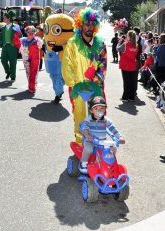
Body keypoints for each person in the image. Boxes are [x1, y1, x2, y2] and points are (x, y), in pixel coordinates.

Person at [62, 7, 107, 144]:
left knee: (98, 112)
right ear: (80, 25)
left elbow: (103, 65)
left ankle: (99, 139)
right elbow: (67, 65)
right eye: (87, 23)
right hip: (78, 87)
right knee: (80, 113)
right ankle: (81, 141)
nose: (90, 27)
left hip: (96, 86)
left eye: (93, 24)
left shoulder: (101, 44)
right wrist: (75, 84)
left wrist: (96, 81)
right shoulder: (72, 44)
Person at [79, 96, 125, 172]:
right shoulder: (89, 119)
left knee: (113, 149)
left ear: (105, 110)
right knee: (88, 149)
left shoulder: (106, 120)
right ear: (91, 110)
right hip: (90, 141)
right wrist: (87, 135)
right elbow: (85, 128)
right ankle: (83, 162)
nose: (99, 111)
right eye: (96, 108)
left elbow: (113, 128)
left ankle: (110, 164)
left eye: (102, 109)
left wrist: (119, 137)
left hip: (102, 142)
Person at [44, 13, 74, 104]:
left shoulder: (72, 37)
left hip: (62, 58)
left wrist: (61, 47)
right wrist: (42, 47)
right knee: (53, 76)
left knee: (60, 76)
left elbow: (72, 44)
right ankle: (59, 90)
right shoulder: (47, 33)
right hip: (50, 58)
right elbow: (45, 40)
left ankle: (58, 93)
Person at [0, 10, 22, 82]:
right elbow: (1, 38)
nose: (3, 19)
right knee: (3, 60)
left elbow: (20, 36)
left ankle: (13, 76)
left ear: (8, 19)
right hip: (5, 46)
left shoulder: (16, 26)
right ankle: (8, 72)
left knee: (13, 62)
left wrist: (18, 36)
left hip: (13, 47)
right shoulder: (3, 28)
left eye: (4, 18)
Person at [19, 26, 42, 93]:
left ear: (35, 32)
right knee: (28, 73)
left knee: (34, 73)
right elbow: (17, 44)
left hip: (35, 58)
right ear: (26, 32)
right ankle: (33, 84)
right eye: (29, 32)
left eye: (33, 31)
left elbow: (41, 46)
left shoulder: (38, 40)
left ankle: (32, 87)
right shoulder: (22, 40)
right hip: (26, 59)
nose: (31, 33)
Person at [117, 30, 138, 102]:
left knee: (126, 82)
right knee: (132, 82)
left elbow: (117, 49)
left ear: (129, 36)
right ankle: (131, 97)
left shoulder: (125, 44)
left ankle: (125, 97)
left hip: (125, 65)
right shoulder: (136, 45)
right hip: (132, 65)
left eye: (127, 35)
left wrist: (120, 41)